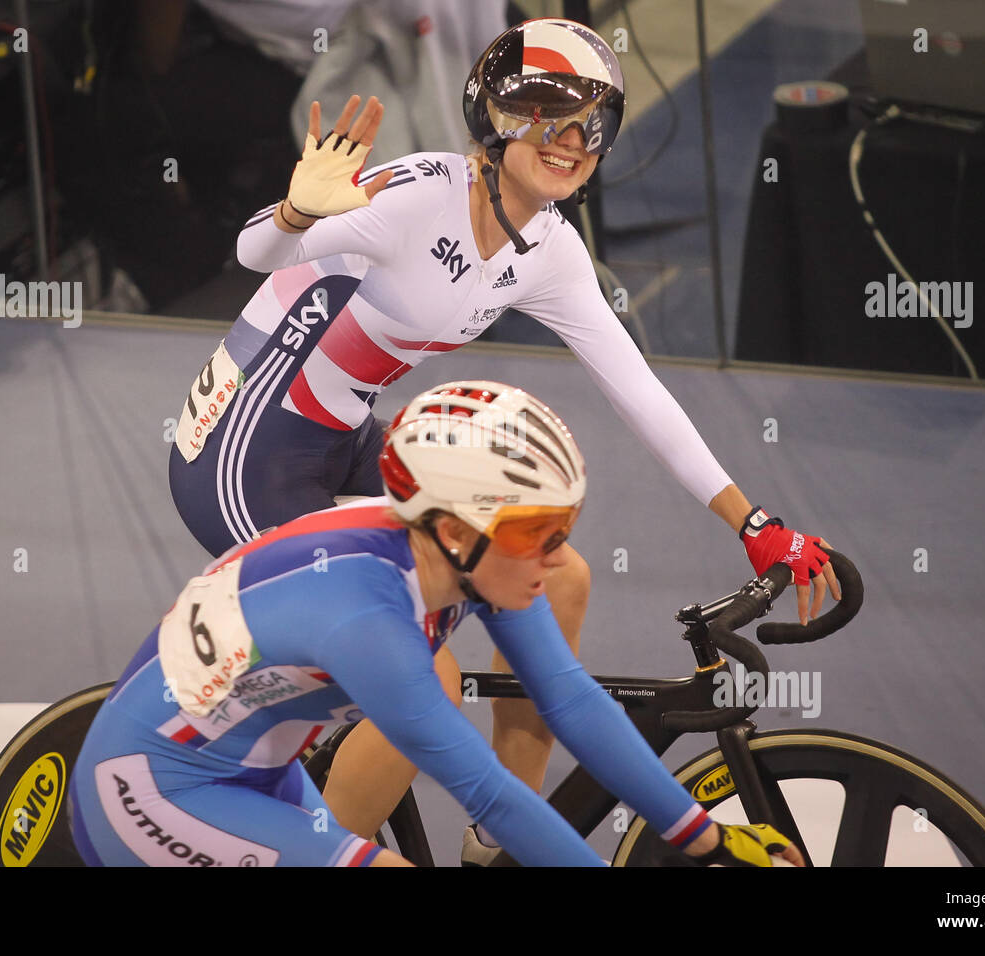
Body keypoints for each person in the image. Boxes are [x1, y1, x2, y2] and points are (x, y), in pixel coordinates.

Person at [166, 18, 838, 861]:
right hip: (243, 451)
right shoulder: (417, 199)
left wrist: (752, 521)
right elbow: (254, 249)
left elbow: (639, 389)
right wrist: (299, 209)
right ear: (494, 120)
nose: (569, 141)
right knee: (429, 683)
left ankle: (499, 842)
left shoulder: (547, 250)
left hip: (342, 442)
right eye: (546, 117)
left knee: (557, 576)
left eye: (592, 123)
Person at [71, 381, 805, 866]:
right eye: (536, 530)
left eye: (563, 524)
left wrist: (707, 841)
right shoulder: (365, 618)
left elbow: (570, 699)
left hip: (253, 768)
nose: (555, 554)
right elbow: (490, 796)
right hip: (152, 790)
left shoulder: (458, 552)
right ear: (457, 532)